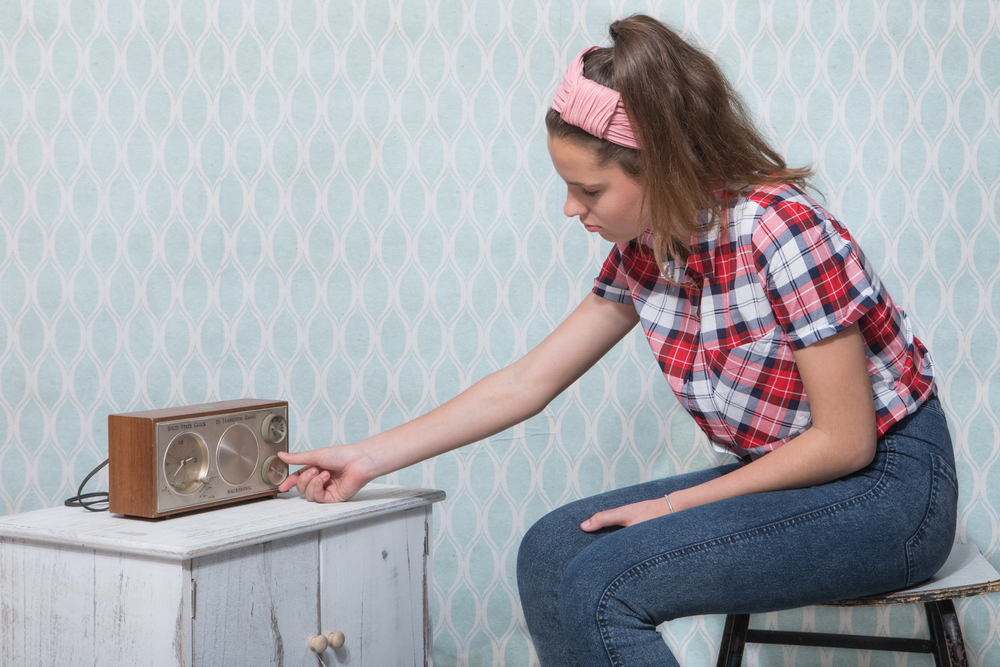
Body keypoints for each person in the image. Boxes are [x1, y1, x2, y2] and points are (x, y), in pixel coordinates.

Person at [278, 14, 957, 666]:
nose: (571, 208)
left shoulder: (783, 231)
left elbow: (845, 440)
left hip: (891, 491)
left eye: (589, 189)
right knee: (550, 553)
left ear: (661, 166)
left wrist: (668, 507)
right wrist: (368, 457)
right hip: (793, 480)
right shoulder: (647, 250)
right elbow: (527, 381)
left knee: (605, 583)